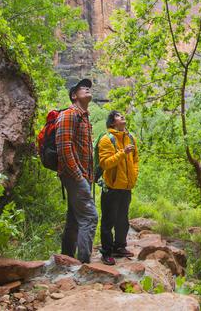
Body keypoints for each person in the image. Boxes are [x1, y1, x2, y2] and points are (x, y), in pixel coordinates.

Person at [56, 78, 98, 264]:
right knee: (90, 216)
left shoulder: (84, 117)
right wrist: (78, 176)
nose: (87, 88)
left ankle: (66, 260)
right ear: (74, 96)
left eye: (88, 87)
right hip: (75, 176)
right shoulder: (69, 114)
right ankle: (84, 265)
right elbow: (64, 148)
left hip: (83, 176)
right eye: (83, 88)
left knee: (74, 218)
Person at [98, 110, 139, 265]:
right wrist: (123, 152)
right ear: (112, 123)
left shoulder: (131, 138)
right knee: (109, 221)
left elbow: (135, 160)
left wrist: (134, 175)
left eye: (122, 115)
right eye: (117, 116)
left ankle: (119, 247)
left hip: (126, 186)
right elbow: (105, 163)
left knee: (123, 220)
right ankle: (106, 252)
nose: (122, 117)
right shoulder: (106, 139)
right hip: (112, 187)